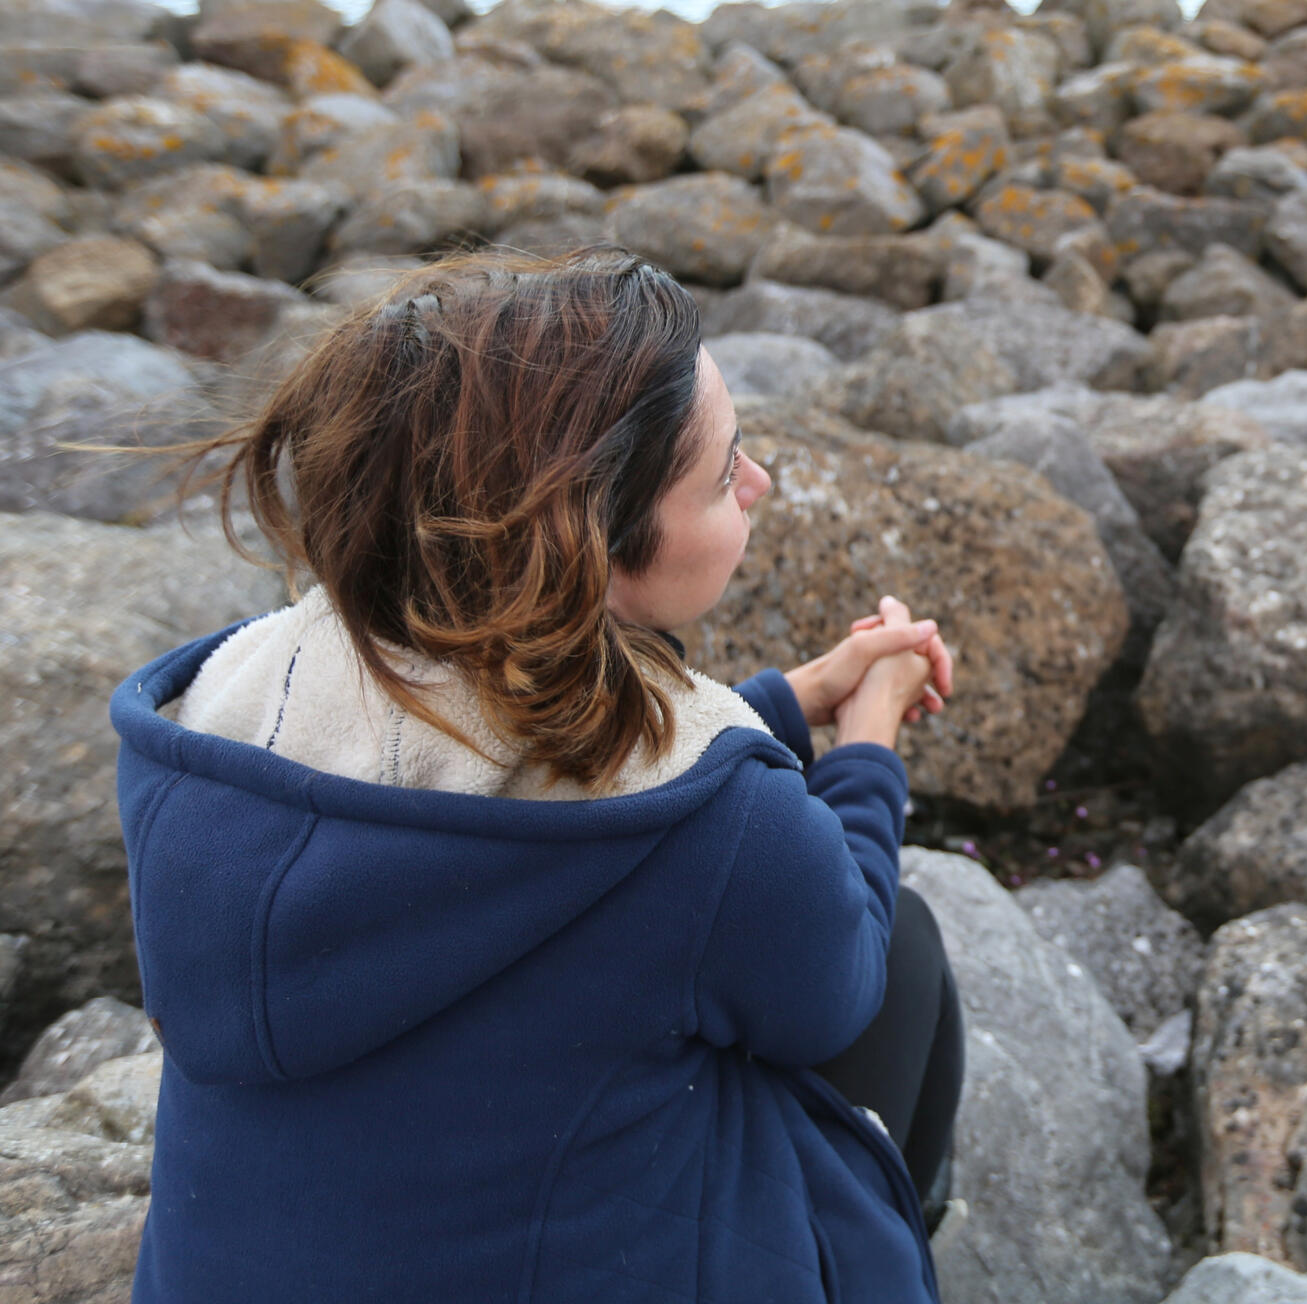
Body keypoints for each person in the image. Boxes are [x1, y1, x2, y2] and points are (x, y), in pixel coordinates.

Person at [108, 249, 962, 1303]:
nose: (759, 483)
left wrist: (786, 703)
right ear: (590, 545)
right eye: (723, 468)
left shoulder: (226, 718)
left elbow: (495, 784)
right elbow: (835, 991)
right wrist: (869, 745)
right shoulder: (717, 826)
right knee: (905, 955)